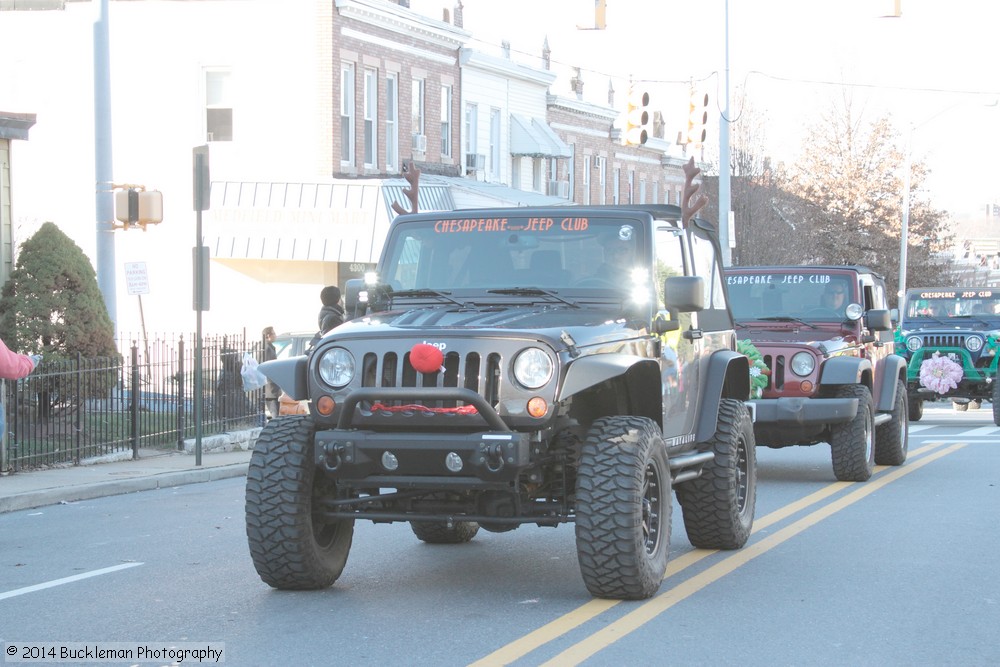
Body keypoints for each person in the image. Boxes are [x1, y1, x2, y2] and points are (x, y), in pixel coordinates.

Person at [261, 326, 280, 420]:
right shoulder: (267, 349)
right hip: (270, 388)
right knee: (275, 414)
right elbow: (268, 368)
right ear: (268, 335)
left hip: (268, 387)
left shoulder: (266, 347)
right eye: (274, 333)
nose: (276, 335)